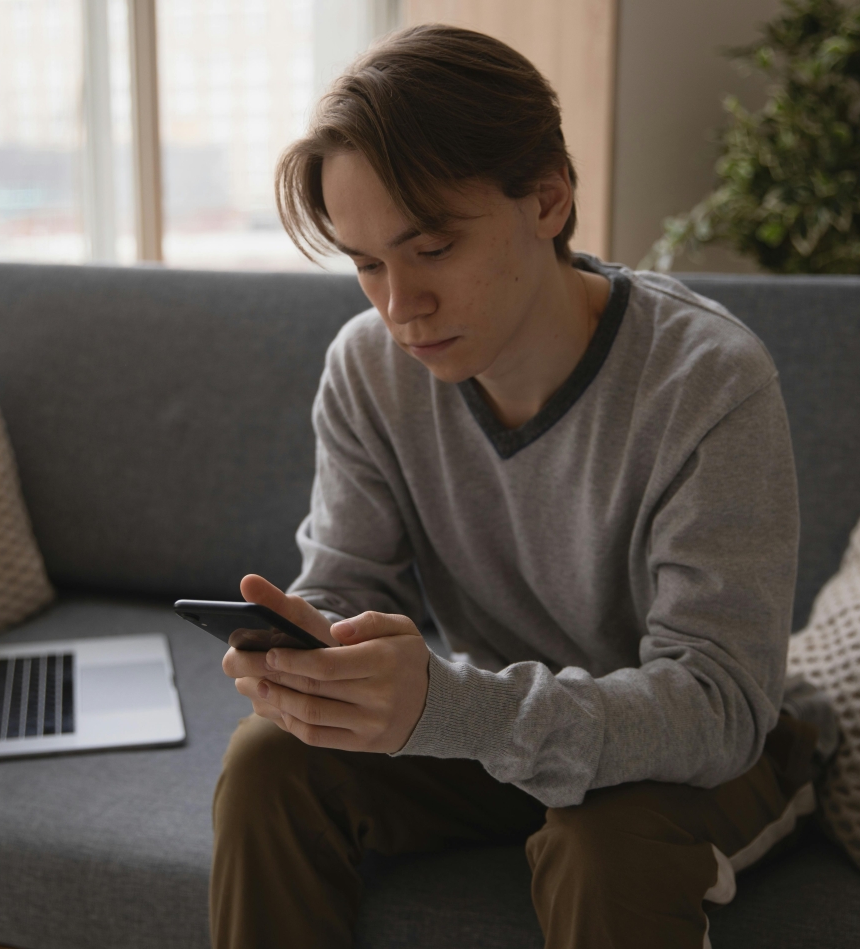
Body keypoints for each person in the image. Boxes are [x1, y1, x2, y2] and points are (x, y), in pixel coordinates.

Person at [211, 24, 820, 949]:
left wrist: (456, 708)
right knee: (270, 761)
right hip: (507, 728)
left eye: (432, 249)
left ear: (546, 199)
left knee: (602, 841)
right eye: (366, 263)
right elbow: (347, 583)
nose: (396, 307)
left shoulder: (707, 379)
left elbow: (717, 703)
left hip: (701, 747)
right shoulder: (369, 369)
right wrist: (309, 661)